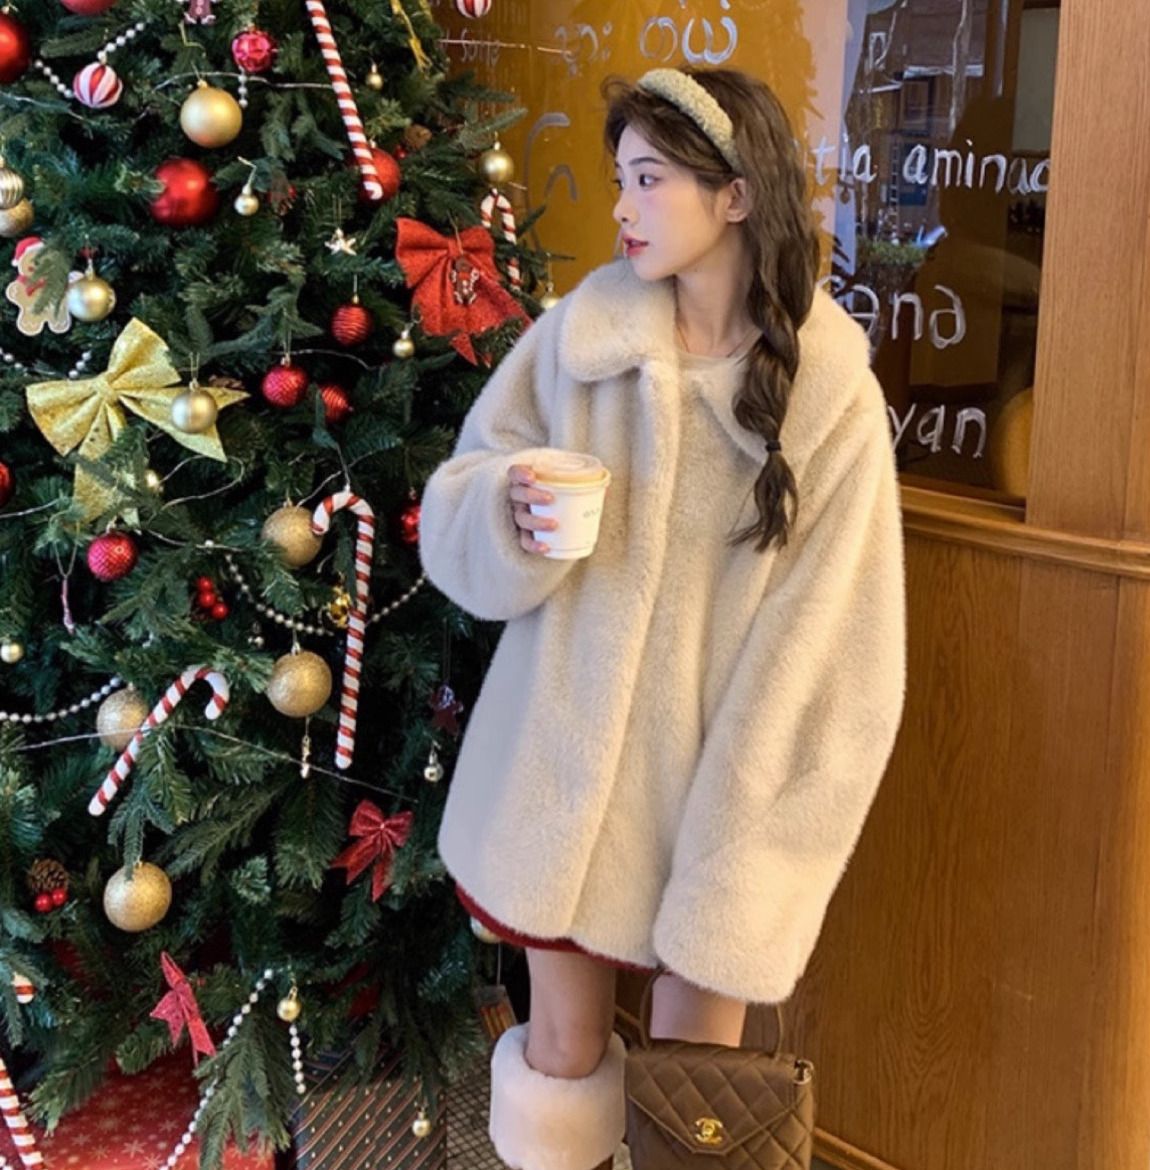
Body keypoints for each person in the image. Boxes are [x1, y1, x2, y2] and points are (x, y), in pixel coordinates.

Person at [418, 66, 907, 1170]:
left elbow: (839, 655)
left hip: (719, 802)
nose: (623, 209)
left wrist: (752, 845)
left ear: (735, 194)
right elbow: (463, 495)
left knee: (697, 1099)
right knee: (559, 1062)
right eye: (620, 181)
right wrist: (509, 509)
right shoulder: (579, 338)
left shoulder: (828, 396)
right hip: (560, 780)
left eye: (648, 180)